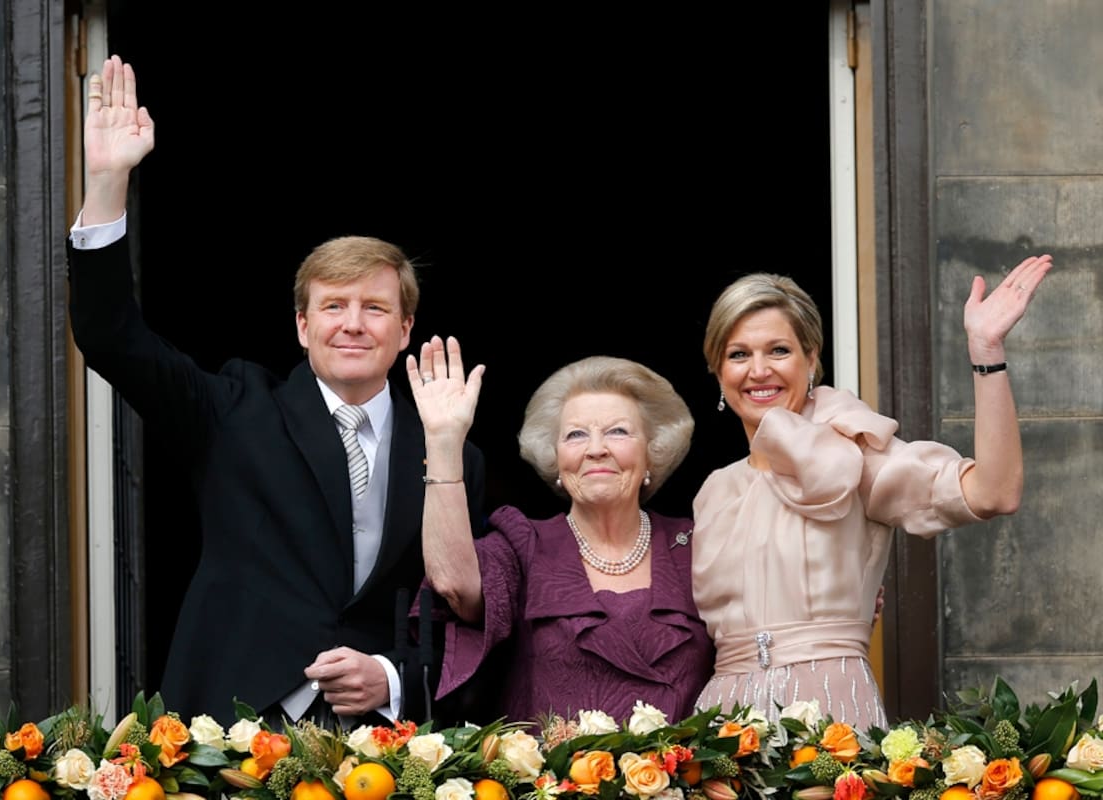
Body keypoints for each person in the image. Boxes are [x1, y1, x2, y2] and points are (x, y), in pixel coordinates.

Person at [66, 55, 486, 726]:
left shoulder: (450, 452)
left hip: (388, 741)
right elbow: (111, 334)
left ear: (406, 329)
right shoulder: (233, 410)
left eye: (375, 308)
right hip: (234, 722)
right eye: (333, 306)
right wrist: (109, 179)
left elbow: (469, 614)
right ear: (301, 325)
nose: (353, 323)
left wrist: (391, 676)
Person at [690, 255, 1053, 729]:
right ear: (718, 371)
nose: (758, 370)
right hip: (724, 720)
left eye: (779, 350)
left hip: (830, 710)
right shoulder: (714, 490)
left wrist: (986, 350)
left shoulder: (853, 454)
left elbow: (994, 492)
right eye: (739, 354)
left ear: (812, 358)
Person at [407, 337, 715, 726]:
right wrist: (444, 441)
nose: (596, 449)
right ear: (555, 459)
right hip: (553, 784)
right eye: (576, 435)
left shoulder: (695, 544)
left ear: (652, 451)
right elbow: (453, 584)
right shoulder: (524, 544)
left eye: (618, 431)